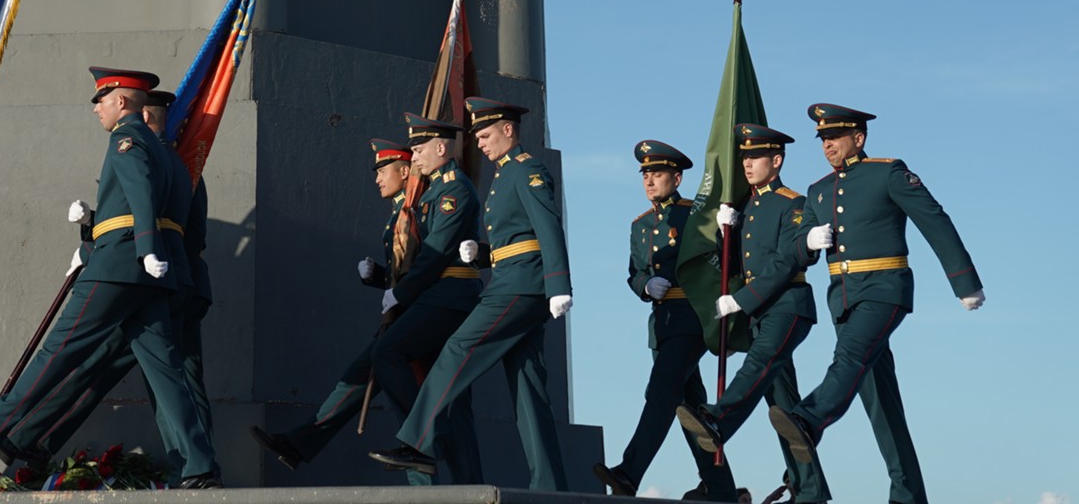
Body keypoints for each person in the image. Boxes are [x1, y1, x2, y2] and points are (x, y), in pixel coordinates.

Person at [0, 68, 221, 488]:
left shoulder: (126, 141)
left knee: (57, 352)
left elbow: (140, 198)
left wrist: (144, 248)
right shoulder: (170, 155)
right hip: (150, 278)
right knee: (165, 371)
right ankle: (199, 464)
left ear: (121, 101)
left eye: (102, 99)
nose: (97, 107)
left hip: (118, 267)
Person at [767, 104, 984, 504]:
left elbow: (934, 220)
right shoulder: (817, 191)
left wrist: (963, 281)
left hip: (884, 289)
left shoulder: (888, 173)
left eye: (835, 137)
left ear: (859, 138)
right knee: (882, 407)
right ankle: (909, 496)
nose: (828, 145)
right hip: (843, 299)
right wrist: (809, 242)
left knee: (847, 357)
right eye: (823, 140)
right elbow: (795, 247)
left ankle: (808, 418)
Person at [370, 98, 571, 490]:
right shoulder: (505, 175)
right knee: (528, 389)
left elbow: (548, 227)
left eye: (485, 135)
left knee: (458, 349)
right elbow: (516, 238)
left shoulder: (527, 170)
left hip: (521, 287)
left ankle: (418, 442)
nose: (478, 143)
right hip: (515, 281)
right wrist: (481, 254)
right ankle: (549, 487)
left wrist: (560, 282)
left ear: (508, 130)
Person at [14, 88, 213, 474]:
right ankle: (199, 466)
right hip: (165, 279)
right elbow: (124, 219)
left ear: (145, 116)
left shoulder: (164, 162)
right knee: (170, 378)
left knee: (98, 365)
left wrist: (153, 267)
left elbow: (179, 231)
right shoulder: (170, 162)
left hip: (159, 279)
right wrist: (89, 229)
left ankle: (31, 438)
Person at [675, 123, 829, 503]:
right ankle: (809, 490)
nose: (747, 163)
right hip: (760, 312)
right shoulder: (746, 206)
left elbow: (784, 262)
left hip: (788, 305)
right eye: (744, 156)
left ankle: (718, 419)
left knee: (758, 365)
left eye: (756, 156)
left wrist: (742, 300)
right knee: (784, 407)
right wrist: (726, 232)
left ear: (776, 161)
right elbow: (734, 263)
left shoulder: (793, 203)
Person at [248, 137, 413, 471]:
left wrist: (399, 291)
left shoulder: (415, 211)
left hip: (415, 318)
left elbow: (427, 265)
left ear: (406, 171)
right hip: (398, 316)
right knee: (353, 382)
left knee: (412, 403)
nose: (377, 179)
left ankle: (418, 449)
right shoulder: (399, 213)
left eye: (384, 171)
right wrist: (379, 277)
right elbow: (405, 269)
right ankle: (298, 443)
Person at [593, 140, 737, 501]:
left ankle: (629, 473)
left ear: (676, 177)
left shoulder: (694, 214)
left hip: (691, 319)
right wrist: (645, 285)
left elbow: (722, 258)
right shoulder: (640, 225)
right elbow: (634, 273)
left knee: (659, 392)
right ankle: (721, 490)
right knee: (690, 410)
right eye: (645, 175)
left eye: (657, 174)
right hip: (662, 325)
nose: (649, 181)